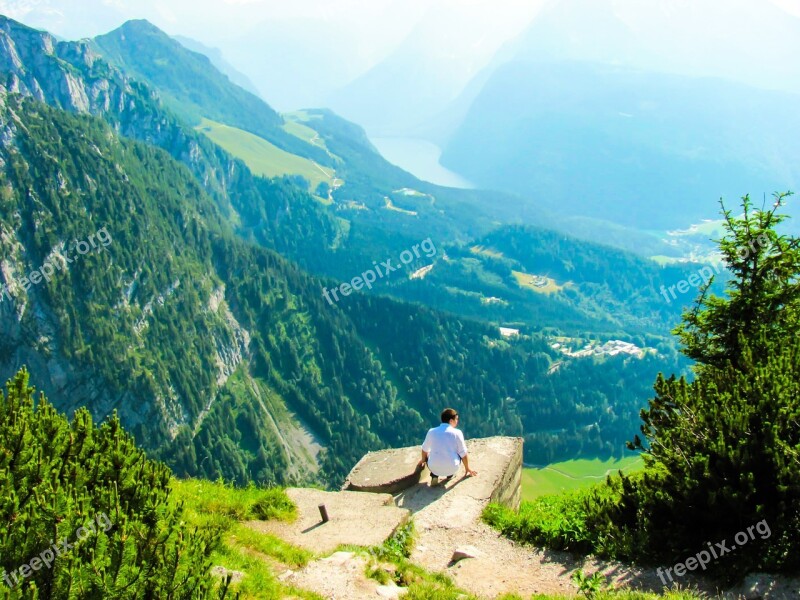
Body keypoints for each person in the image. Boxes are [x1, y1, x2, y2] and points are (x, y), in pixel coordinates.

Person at [419, 408, 478, 485]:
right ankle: (450, 475)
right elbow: (463, 453)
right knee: (458, 452)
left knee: (429, 453)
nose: (457, 421)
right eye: (456, 419)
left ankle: (434, 476)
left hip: (433, 467)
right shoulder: (457, 433)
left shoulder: (431, 431)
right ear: (451, 421)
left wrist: (423, 460)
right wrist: (467, 468)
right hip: (452, 468)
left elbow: (424, 449)